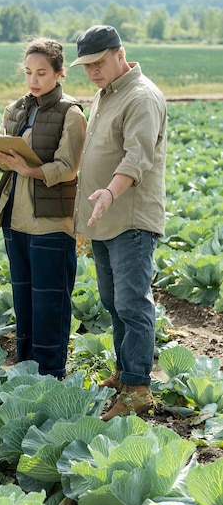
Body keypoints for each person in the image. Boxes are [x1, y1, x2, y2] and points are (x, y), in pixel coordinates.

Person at [70, 25, 167, 420]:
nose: (92, 71)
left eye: (98, 62)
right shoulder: (105, 94)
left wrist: (110, 192)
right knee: (113, 302)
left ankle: (139, 387)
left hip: (129, 217)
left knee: (131, 302)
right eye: (86, 65)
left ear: (119, 53)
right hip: (103, 219)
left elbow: (136, 158)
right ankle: (125, 374)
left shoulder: (141, 96)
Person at [0, 37, 87, 379]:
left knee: (51, 302)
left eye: (42, 73)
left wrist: (31, 170)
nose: (33, 80)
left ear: (60, 74)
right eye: (28, 72)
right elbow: (6, 164)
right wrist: (1, 159)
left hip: (51, 222)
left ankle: (52, 373)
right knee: (25, 301)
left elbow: (69, 166)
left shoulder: (70, 113)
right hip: (15, 219)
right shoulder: (14, 109)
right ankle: (27, 372)